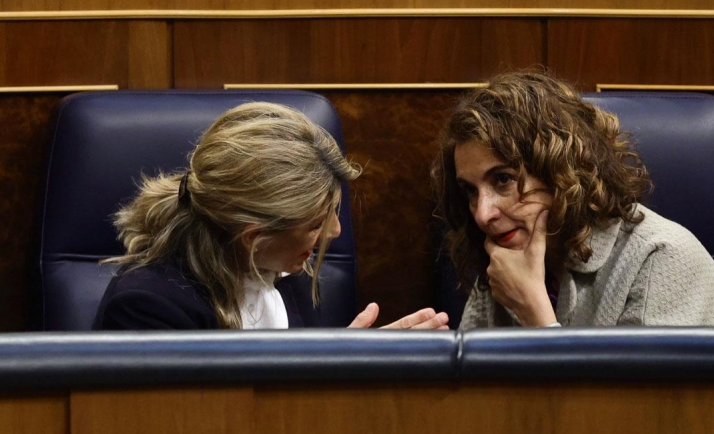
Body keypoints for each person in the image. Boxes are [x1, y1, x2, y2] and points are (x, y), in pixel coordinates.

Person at [93, 102, 448, 330]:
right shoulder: (146, 310)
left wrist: (347, 363)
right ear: (254, 237)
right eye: (315, 224)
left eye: (334, 213)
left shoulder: (285, 271)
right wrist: (327, 381)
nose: (335, 232)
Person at [432, 71, 714, 328]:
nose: (483, 214)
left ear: (561, 172)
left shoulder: (663, 258)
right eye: (471, 191)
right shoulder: (506, 257)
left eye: (503, 180)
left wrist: (535, 314)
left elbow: (639, 406)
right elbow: (478, 399)